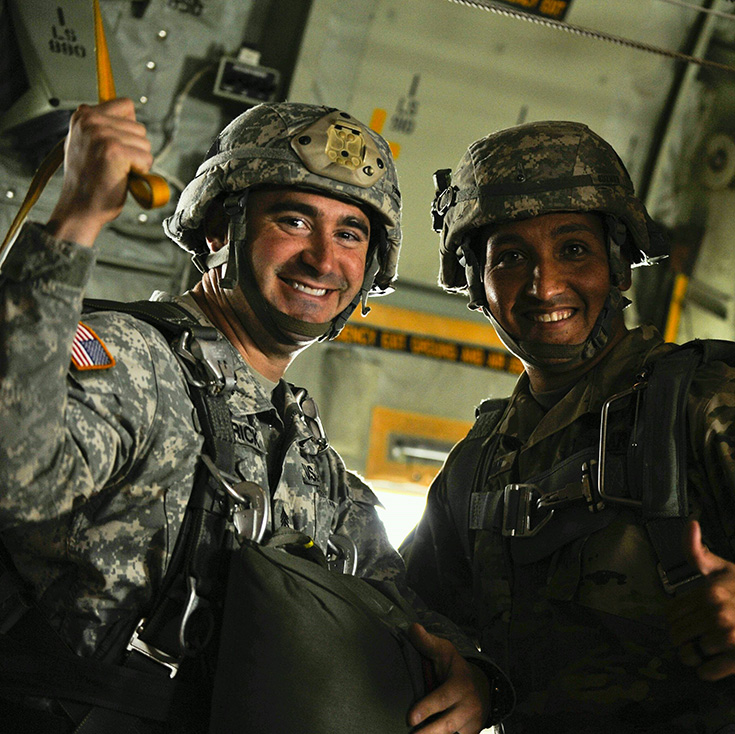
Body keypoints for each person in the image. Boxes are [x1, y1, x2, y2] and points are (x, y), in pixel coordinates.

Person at [0, 98, 512, 732]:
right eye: (295, 221)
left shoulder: (307, 454)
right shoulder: (137, 360)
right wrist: (77, 217)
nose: (324, 260)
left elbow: (395, 604)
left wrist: (479, 678)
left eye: (350, 233)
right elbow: (13, 476)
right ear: (221, 230)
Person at [401, 120, 735, 732]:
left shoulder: (704, 403)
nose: (543, 284)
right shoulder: (474, 468)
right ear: (478, 286)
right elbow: (416, 621)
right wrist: (475, 677)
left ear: (619, 265)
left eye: (574, 249)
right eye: (510, 258)